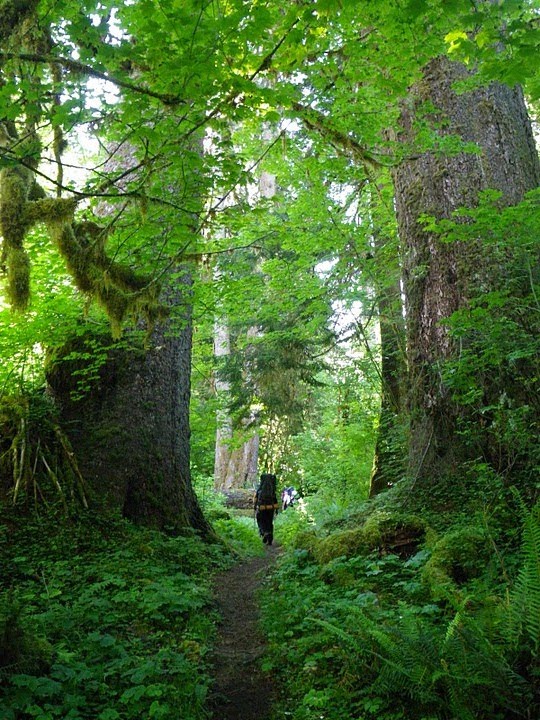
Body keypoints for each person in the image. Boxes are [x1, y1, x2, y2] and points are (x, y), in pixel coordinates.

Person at [254, 472, 279, 546]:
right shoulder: (272, 490)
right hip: (271, 507)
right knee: (269, 521)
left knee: (261, 520)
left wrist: (255, 506)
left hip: (262, 507)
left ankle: (264, 532)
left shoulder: (260, 489)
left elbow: (256, 498)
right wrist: (276, 509)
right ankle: (270, 537)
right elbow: (275, 499)